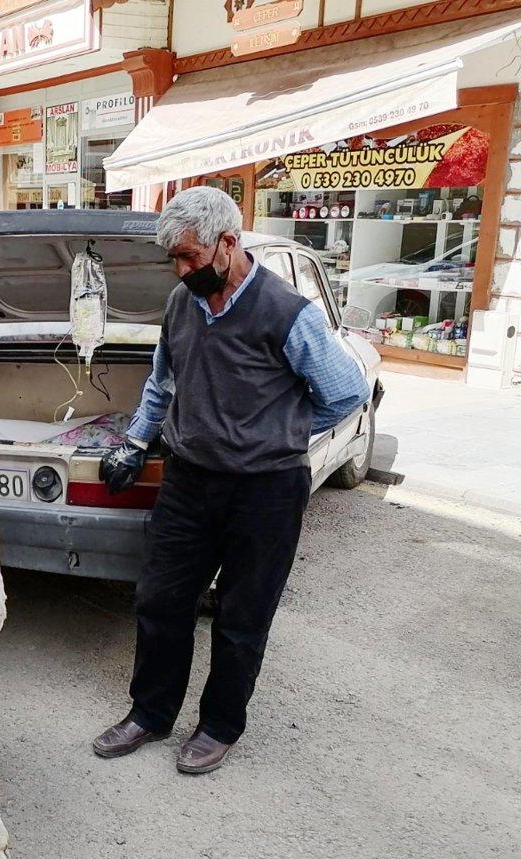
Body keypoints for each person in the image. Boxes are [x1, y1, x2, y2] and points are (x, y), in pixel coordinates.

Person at [93, 186, 370, 774]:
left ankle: (219, 726)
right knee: (161, 601)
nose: (181, 268)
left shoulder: (287, 312)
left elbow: (346, 391)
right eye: (174, 258)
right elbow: (160, 383)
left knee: (243, 616)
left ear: (228, 242)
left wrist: (280, 433)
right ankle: (151, 713)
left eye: (190, 256)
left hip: (266, 491)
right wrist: (138, 440)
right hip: (190, 482)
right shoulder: (179, 303)